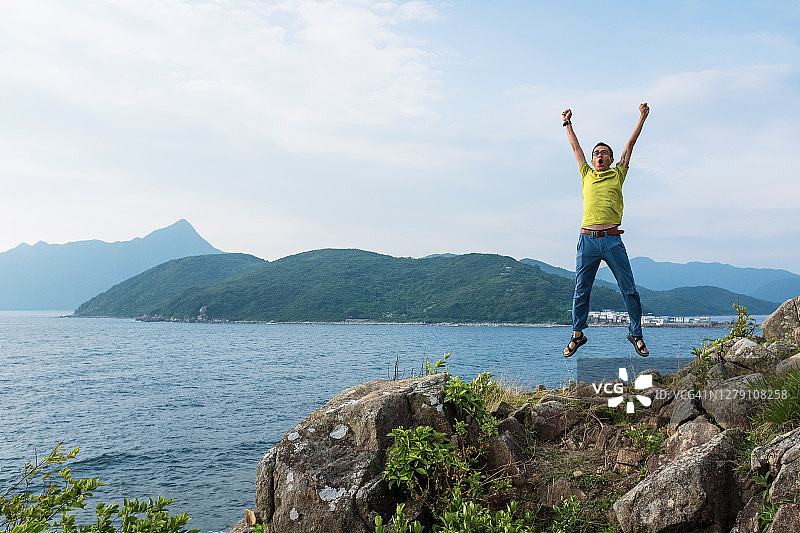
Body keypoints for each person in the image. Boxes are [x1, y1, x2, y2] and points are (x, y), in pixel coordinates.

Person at [561, 103, 650, 358]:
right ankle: (577, 334)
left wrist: (641, 118)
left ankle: (636, 334)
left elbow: (629, 146)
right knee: (581, 289)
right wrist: (568, 123)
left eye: (604, 153)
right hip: (587, 240)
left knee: (629, 288)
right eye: (596, 154)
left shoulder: (618, 174)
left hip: (611, 240)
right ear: (592, 160)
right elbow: (575, 147)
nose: (600, 156)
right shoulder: (586, 173)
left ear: (611, 160)